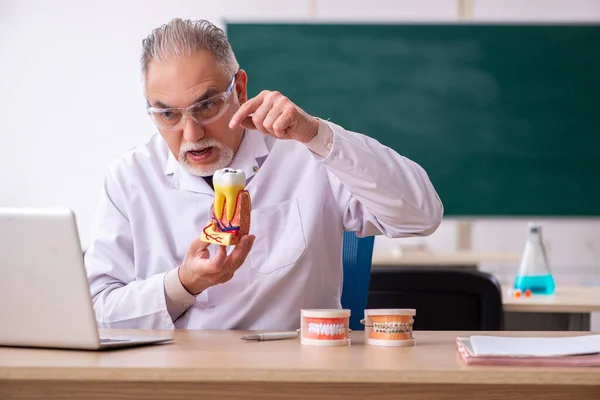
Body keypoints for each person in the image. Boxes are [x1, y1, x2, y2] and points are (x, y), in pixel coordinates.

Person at [84, 18, 443, 330]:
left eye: (206, 105)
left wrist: (317, 135)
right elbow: (96, 311)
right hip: (179, 379)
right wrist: (184, 283)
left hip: (294, 375)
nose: (191, 134)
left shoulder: (305, 154)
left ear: (239, 89)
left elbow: (421, 217)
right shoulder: (130, 178)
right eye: (168, 115)